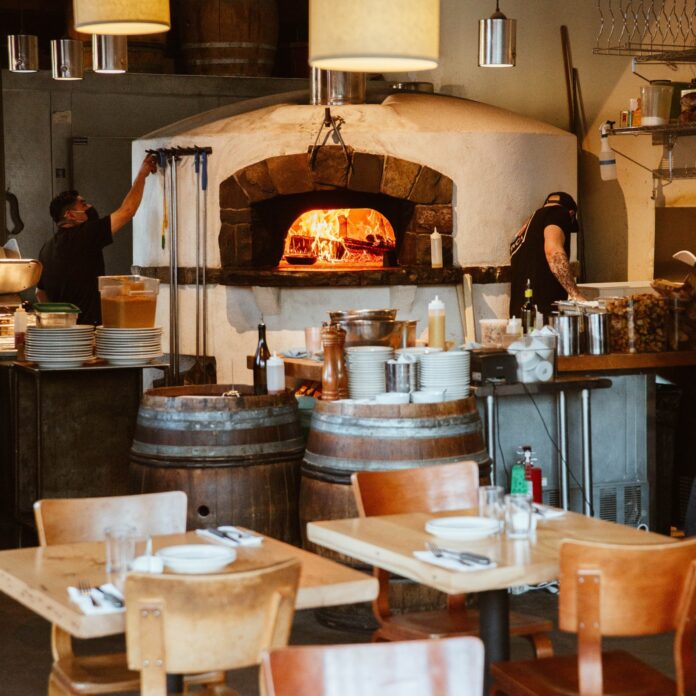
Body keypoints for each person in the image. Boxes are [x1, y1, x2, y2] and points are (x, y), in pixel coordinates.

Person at [36, 154, 157, 325]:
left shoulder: (46, 248)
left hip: (64, 333)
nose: (90, 207)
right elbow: (127, 211)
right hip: (88, 330)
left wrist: (58, 321)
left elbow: (40, 293)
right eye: (83, 205)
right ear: (70, 215)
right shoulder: (85, 235)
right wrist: (143, 174)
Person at [509, 191, 586, 319]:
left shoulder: (525, 231)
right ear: (571, 214)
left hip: (518, 319)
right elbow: (553, 252)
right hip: (543, 318)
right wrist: (575, 294)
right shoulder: (559, 213)